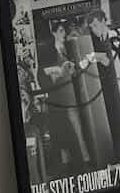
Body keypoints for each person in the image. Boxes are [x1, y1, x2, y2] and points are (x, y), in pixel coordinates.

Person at [36, 20, 90, 177]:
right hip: (60, 100)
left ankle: (79, 164)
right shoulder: (47, 51)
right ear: (53, 32)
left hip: (69, 97)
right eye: (60, 31)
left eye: (63, 31)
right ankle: (78, 166)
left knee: (74, 132)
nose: (64, 34)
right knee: (69, 133)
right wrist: (59, 72)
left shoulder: (63, 49)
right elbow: (43, 76)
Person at [86, 9, 120, 162]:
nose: (93, 29)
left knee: (119, 122)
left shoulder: (110, 38)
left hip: (114, 88)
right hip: (106, 88)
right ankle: (119, 158)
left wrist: (94, 58)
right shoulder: (96, 40)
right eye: (91, 27)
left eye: (95, 25)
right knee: (113, 123)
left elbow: (109, 60)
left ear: (104, 21)